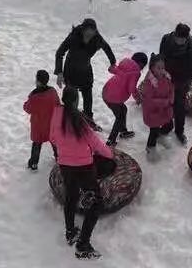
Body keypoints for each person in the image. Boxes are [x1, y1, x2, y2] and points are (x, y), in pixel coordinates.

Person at [50, 86, 113, 260]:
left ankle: (70, 232)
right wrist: (110, 154)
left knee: (71, 196)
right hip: (84, 167)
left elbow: (53, 138)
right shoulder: (78, 120)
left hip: (65, 165)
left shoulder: (56, 115)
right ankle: (83, 244)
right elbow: (96, 144)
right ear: (77, 100)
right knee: (96, 204)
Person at [55, 18, 116, 122]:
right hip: (71, 70)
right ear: (82, 30)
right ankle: (70, 119)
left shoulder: (97, 38)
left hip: (85, 70)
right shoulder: (74, 37)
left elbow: (107, 48)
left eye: (91, 35)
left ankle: (88, 118)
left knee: (88, 95)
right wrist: (59, 73)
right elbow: (60, 53)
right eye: (87, 34)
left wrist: (113, 63)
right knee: (72, 97)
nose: (89, 37)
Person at [159, 23, 192, 144]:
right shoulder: (166, 39)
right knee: (165, 104)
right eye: (179, 38)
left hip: (182, 80)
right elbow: (161, 57)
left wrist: (183, 82)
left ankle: (179, 131)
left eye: (183, 39)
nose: (180, 41)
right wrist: (162, 74)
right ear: (175, 35)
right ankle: (167, 126)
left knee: (179, 107)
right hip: (167, 77)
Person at [102, 52, 147, 146]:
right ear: (141, 64)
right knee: (120, 116)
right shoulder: (136, 72)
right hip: (114, 98)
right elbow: (132, 88)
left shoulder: (125, 64)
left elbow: (112, 69)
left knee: (123, 110)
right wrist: (138, 97)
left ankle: (123, 131)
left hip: (106, 92)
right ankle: (111, 140)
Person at [24, 70, 61, 170]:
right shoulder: (52, 92)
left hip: (38, 126)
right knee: (54, 142)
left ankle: (34, 163)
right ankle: (59, 158)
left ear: (38, 81)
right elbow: (58, 104)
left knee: (37, 144)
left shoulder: (34, 96)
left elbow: (27, 108)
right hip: (51, 124)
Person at [137, 54, 175, 151]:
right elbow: (149, 100)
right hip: (153, 112)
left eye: (163, 67)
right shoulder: (149, 82)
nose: (161, 70)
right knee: (153, 131)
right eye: (158, 68)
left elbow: (171, 89)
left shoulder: (166, 77)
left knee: (170, 125)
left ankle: (160, 136)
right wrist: (165, 102)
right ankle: (150, 148)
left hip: (165, 110)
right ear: (152, 68)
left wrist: (171, 99)